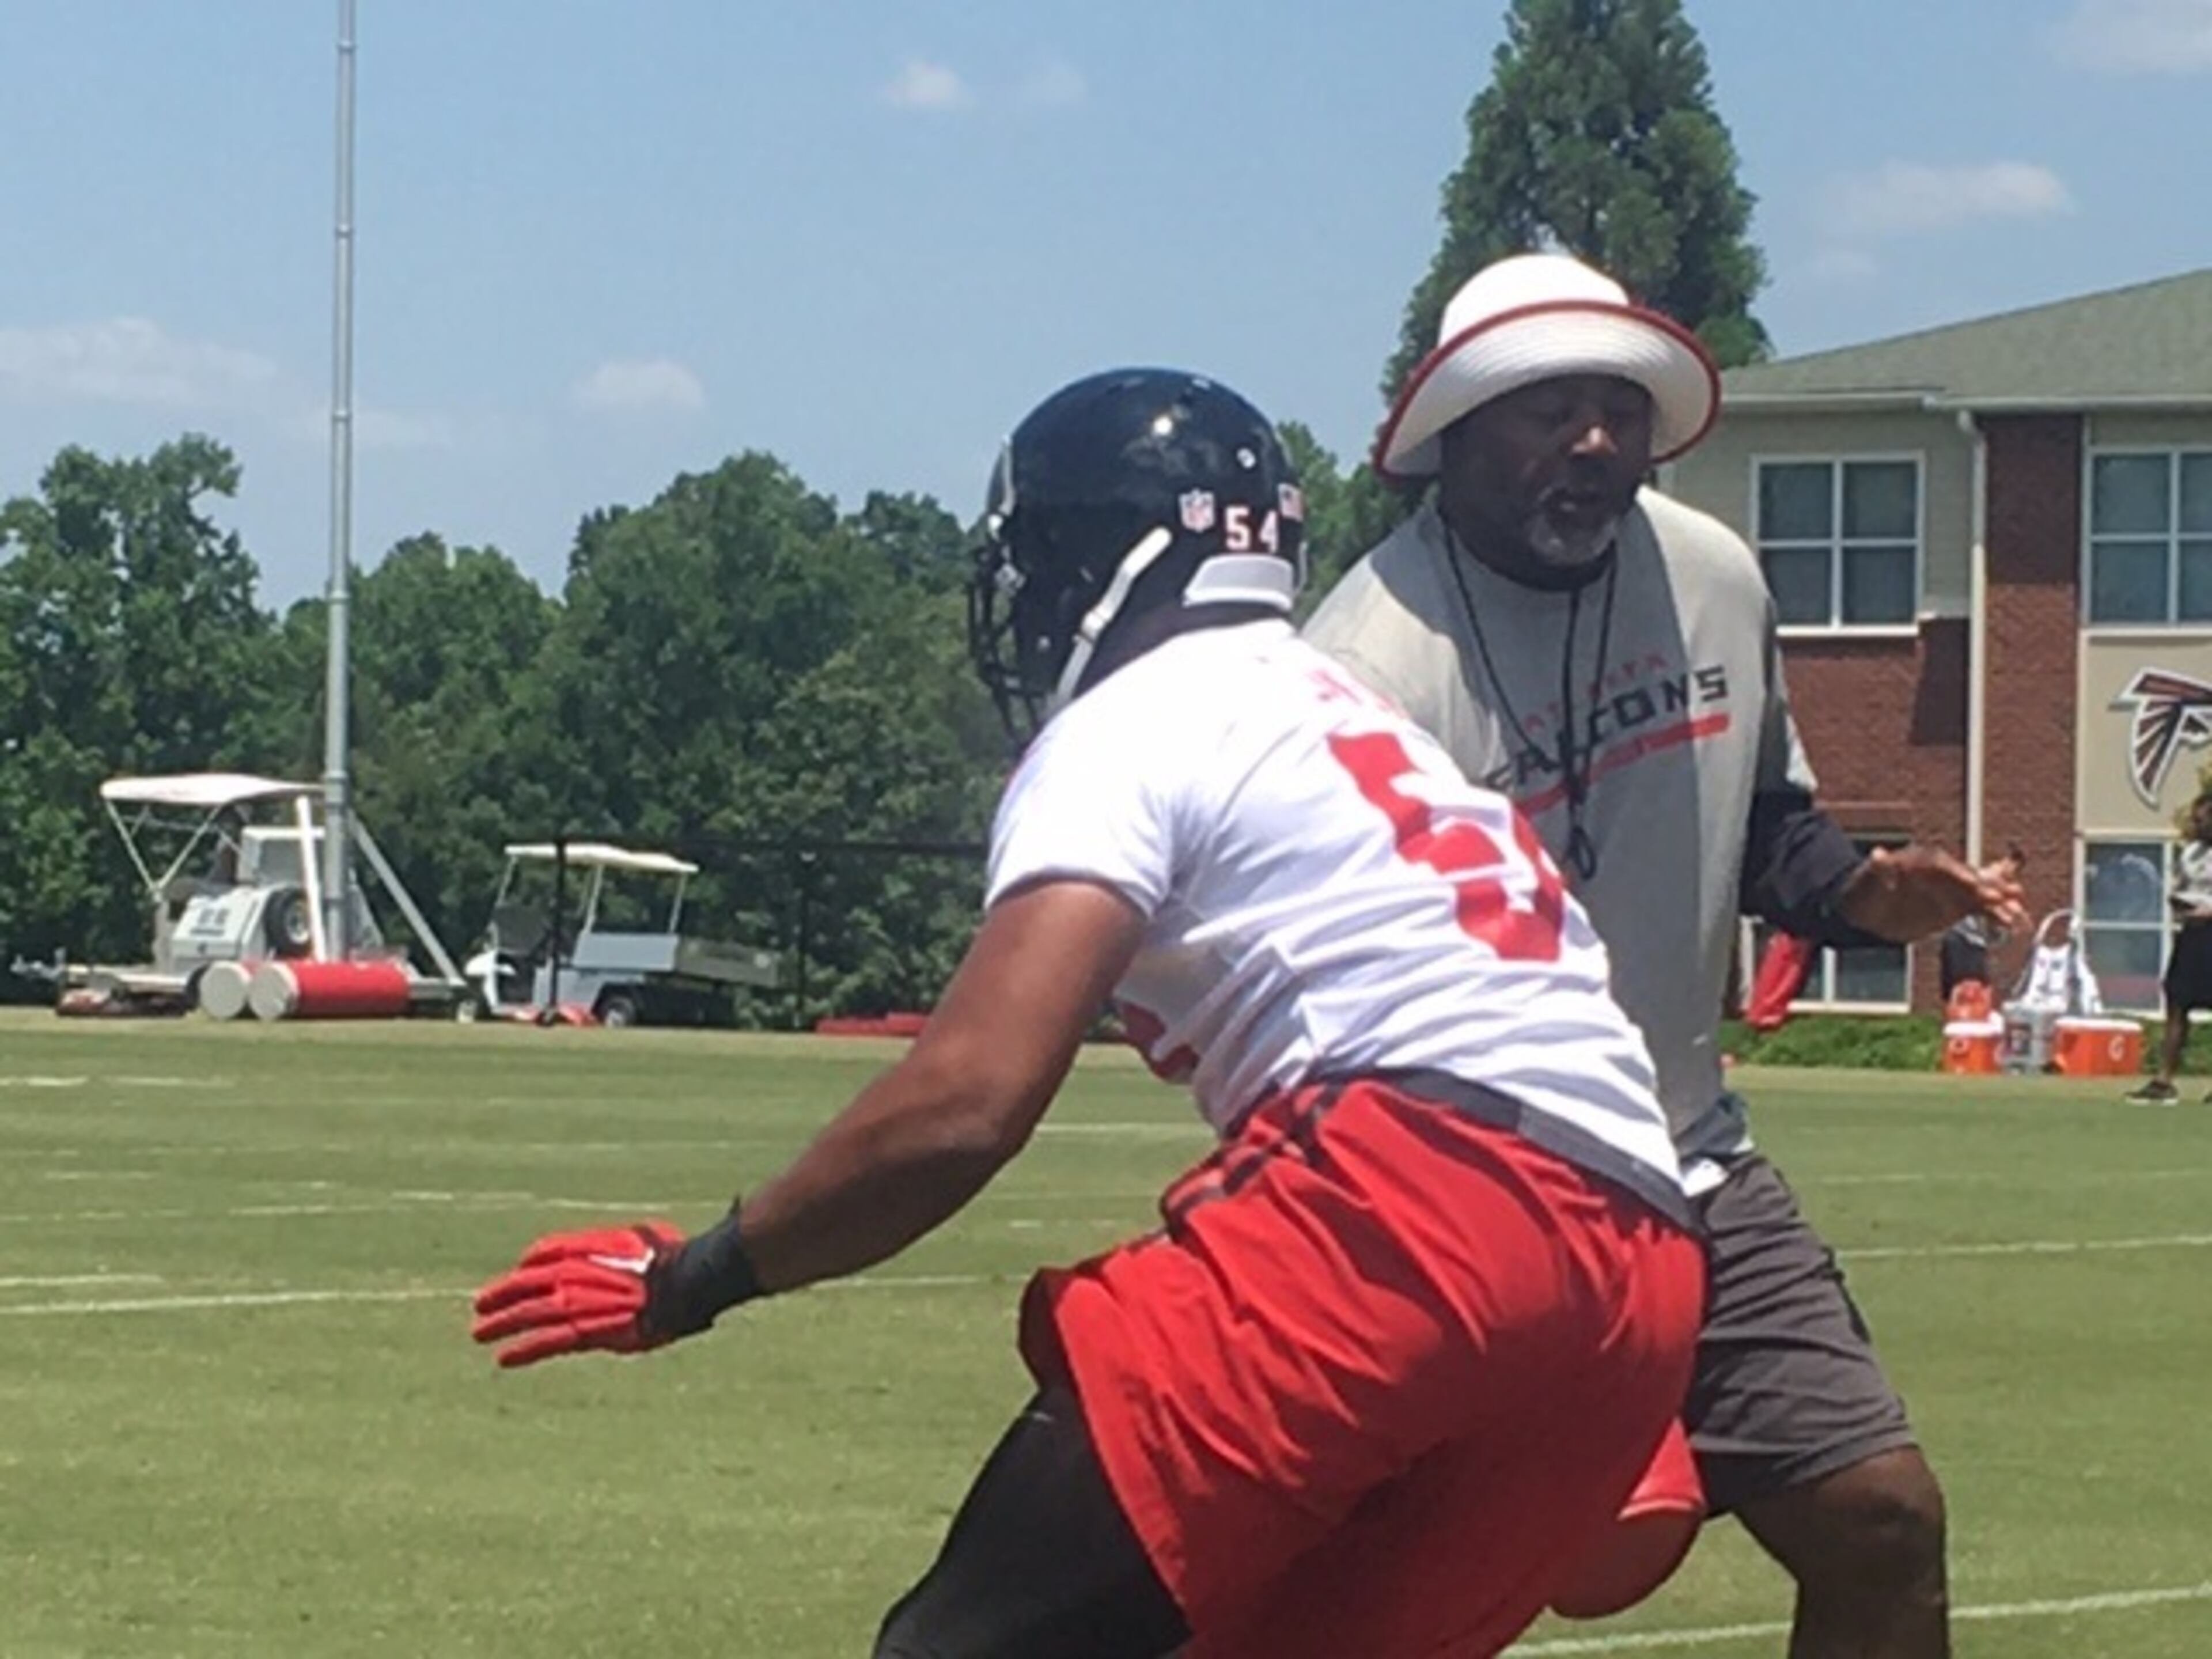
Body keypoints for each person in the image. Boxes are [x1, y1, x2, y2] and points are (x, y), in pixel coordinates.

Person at [470, 368, 1706, 1659]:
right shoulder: (1362, 721)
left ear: (1092, 561)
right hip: (1642, 1267)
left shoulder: (1140, 715)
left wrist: (697, 1277)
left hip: (1418, 1212)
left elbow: (967, 1100)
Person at [1303, 252, 2027, 1657]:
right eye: (1545, 408)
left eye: (1617, 408)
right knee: (1403, 1598)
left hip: (1687, 1152)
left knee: (1882, 1519)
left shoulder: (1708, 573)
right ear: (1452, 435)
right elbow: (1341, 997)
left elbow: (1766, 833)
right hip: (1456, 1188)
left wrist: (1869, 896)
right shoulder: (1361, 663)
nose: (1591, 440)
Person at [2127, 793, 2212, 1103]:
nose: (2197, 824)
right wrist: (2179, 903)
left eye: (2203, 818)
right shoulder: (2191, 853)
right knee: (2177, 1002)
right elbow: (2181, 888)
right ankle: (2164, 1081)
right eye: (2196, 818)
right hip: (2191, 936)